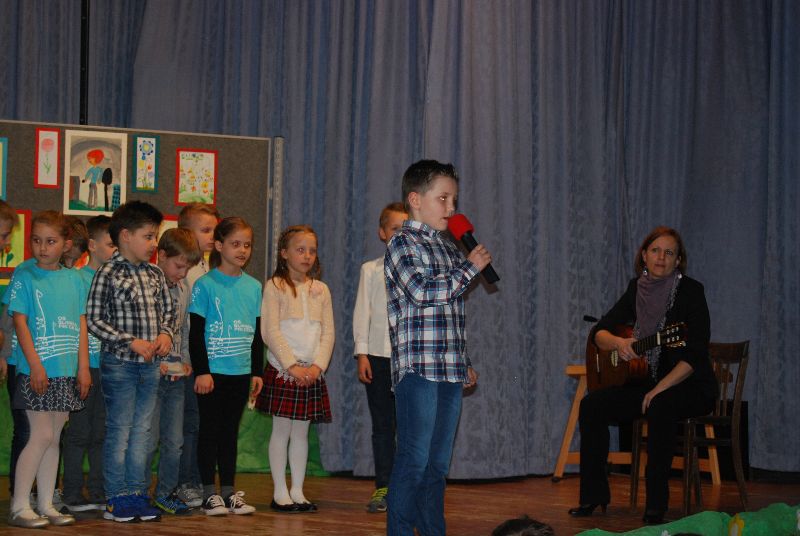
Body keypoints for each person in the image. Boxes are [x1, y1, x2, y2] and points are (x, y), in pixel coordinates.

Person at [569, 226, 717, 525]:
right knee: (592, 405)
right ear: (644, 256)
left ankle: (656, 505)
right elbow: (599, 333)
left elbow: (694, 355)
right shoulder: (636, 289)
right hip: (646, 383)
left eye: (669, 252)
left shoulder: (691, 292)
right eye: (655, 250)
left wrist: (659, 388)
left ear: (678, 261)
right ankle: (593, 496)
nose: (661, 257)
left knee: (660, 404)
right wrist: (619, 344)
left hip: (690, 384)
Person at [384, 160, 491, 536]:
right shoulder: (402, 243)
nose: (451, 208)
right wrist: (469, 269)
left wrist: (464, 360)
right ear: (415, 199)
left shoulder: (448, 249)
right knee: (413, 459)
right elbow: (421, 292)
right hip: (418, 368)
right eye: (443, 199)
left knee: (437, 465)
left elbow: (450, 313)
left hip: (449, 369)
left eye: (454, 200)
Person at [86, 200, 175, 523]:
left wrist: (165, 334)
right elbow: (94, 319)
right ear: (125, 236)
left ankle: (137, 493)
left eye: (155, 237)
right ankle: (116, 497)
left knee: (143, 431)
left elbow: (169, 312)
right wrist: (130, 341)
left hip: (149, 368)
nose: (154, 244)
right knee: (120, 431)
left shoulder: (155, 273)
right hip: (120, 365)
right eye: (148, 236)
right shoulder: (108, 272)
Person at [7, 210, 91, 528]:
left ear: (66, 244)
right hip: (37, 370)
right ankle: (19, 505)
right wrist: (34, 365)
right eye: (37, 240)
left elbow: (81, 324)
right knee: (39, 435)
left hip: (65, 371)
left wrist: (83, 368)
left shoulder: (74, 279)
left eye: (51, 241)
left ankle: (45, 503)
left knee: (54, 437)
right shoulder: (25, 275)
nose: (42, 248)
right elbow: (20, 322)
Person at [188, 216, 264, 516]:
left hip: (240, 372)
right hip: (212, 373)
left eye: (247, 245)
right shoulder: (205, 285)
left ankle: (229, 492)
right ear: (219, 246)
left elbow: (257, 334)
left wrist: (256, 372)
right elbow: (196, 333)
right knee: (209, 430)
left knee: (230, 433)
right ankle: (209, 493)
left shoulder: (254, 287)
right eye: (235, 244)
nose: (242, 250)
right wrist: (202, 371)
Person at [257, 225, 334, 514]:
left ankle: (298, 490)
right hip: (284, 370)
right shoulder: (275, 286)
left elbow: (328, 333)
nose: (307, 256)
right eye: (300, 250)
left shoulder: (321, 290)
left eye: (312, 250)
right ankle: (280, 492)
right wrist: (290, 365)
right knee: (282, 431)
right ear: (284, 253)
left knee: (301, 433)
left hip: (311, 372)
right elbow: (270, 330)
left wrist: (317, 366)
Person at [353, 202, 407, 513]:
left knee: (409, 426)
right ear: (382, 232)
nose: (400, 234)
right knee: (383, 426)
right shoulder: (371, 270)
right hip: (378, 357)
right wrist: (362, 353)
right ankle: (383, 486)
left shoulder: (419, 270)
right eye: (395, 228)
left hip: (410, 359)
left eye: (406, 228)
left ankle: (406, 486)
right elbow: (363, 312)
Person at [61, 215, 115, 512]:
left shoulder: (115, 279)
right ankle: (71, 492)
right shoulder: (76, 279)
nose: (115, 250)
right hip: (83, 367)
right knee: (79, 432)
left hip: (109, 367)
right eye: (110, 244)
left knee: (101, 433)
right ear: (92, 246)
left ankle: (97, 490)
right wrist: (80, 368)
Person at [147, 228, 201, 515]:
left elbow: (183, 330)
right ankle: (139, 492)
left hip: (177, 376)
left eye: (187, 268)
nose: (182, 274)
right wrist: (156, 361)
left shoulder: (183, 288)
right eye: (178, 266)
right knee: (148, 439)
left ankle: (165, 493)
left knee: (175, 441)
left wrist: (187, 359)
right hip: (153, 376)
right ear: (161, 256)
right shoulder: (148, 286)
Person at [175, 202, 219, 508]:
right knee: (187, 426)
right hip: (187, 361)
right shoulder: (184, 272)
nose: (212, 236)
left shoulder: (206, 269)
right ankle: (185, 482)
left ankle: (197, 480)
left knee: (201, 424)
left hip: (204, 360)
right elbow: (184, 322)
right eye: (205, 230)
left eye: (214, 230)